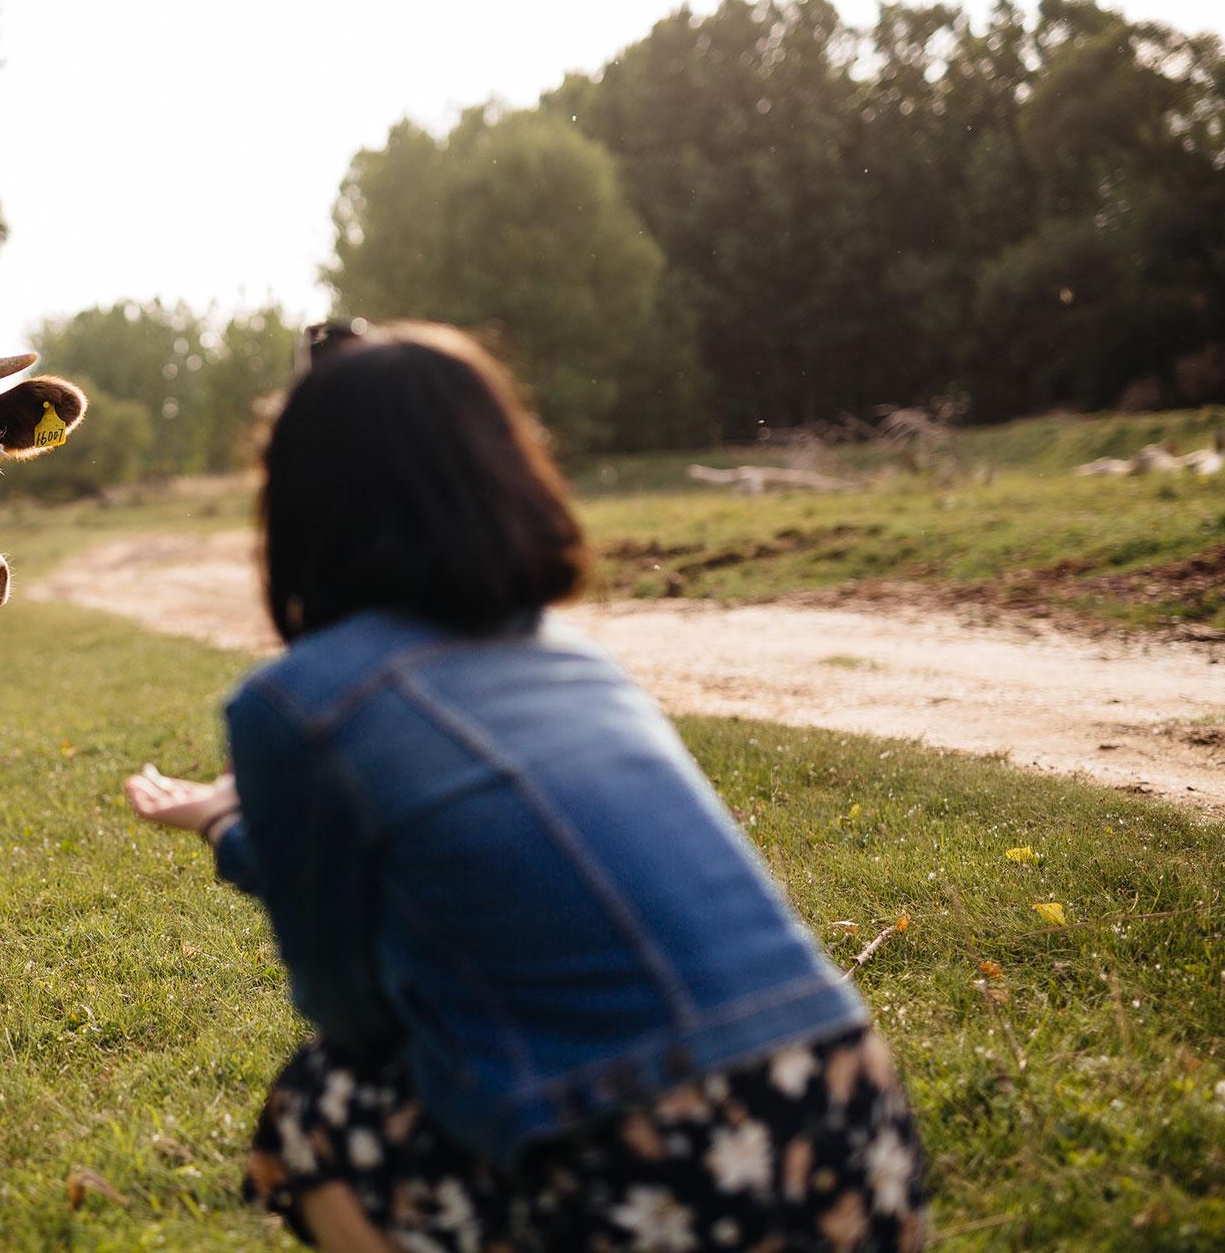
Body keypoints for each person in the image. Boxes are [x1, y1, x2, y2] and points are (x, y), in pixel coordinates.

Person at [125, 322, 926, 1253]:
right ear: (505, 467)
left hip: (682, 1170)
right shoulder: (579, 664)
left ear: (298, 501)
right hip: (854, 1131)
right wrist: (238, 819)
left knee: (323, 1101)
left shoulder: (295, 706)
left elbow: (352, 1013)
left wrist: (236, 831)